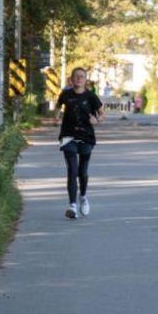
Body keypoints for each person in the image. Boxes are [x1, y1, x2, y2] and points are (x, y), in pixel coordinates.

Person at [53, 67, 105, 219]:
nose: (79, 79)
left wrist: (97, 120)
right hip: (68, 136)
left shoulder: (91, 96)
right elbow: (57, 107)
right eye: (76, 76)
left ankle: (83, 197)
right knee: (72, 171)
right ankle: (72, 206)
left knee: (82, 172)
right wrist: (56, 118)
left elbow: (102, 114)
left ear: (85, 80)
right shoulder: (66, 94)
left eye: (82, 76)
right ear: (71, 79)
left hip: (86, 137)